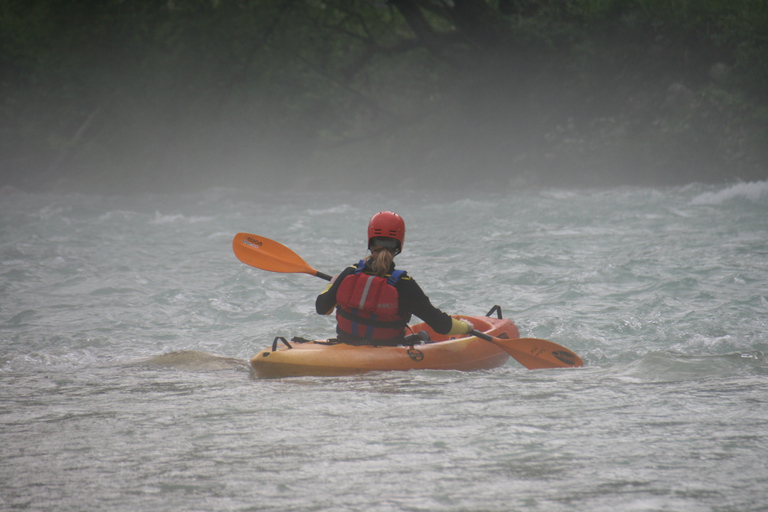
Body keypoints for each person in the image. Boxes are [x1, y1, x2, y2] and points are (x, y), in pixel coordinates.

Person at [315, 211, 474, 346]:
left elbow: (321, 308)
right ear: (399, 244)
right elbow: (441, 325)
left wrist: (332, 284)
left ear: (370, 241)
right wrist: (466, 328)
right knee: (424, 337)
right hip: (386, 352)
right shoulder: (403, 284)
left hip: (346, 345)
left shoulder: (350, 272)